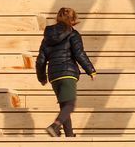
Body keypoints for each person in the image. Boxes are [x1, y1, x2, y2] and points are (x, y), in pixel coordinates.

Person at [35, 7, 95, 138]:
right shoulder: (73, 34)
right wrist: (90, 70)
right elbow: (79, 53)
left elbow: (40, 60)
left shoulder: (47, 38)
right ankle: (55, 126)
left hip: (54, 76)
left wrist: (42, 77)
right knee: (70, 104)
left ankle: (69, 136)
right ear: (72, 20)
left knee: (64, 106)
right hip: (67, 74)